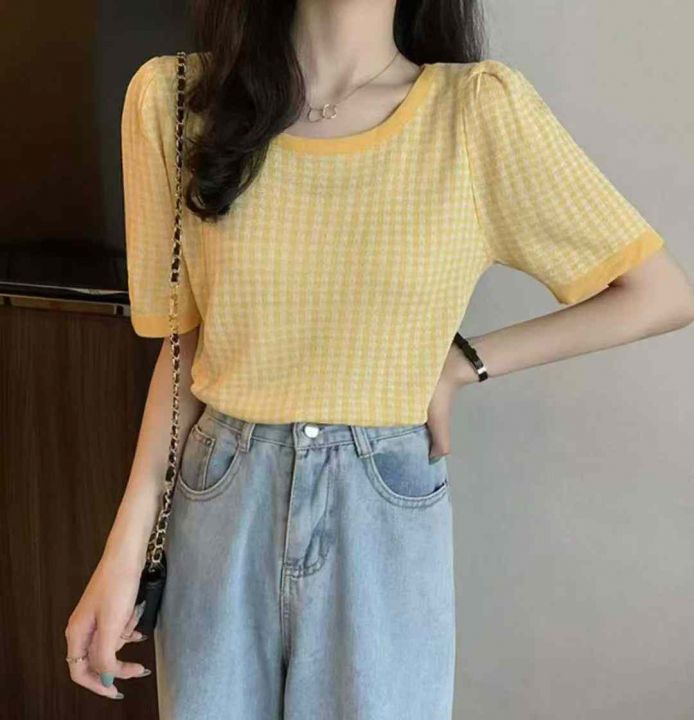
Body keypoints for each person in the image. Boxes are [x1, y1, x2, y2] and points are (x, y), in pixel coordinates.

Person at [65, 0, 694, 717]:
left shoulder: (475, 114)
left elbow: (658, 293)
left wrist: (463, 363)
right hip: (221, 501)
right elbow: (188, 345)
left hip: (381, 514)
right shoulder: (177, 101)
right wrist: (124, 550)